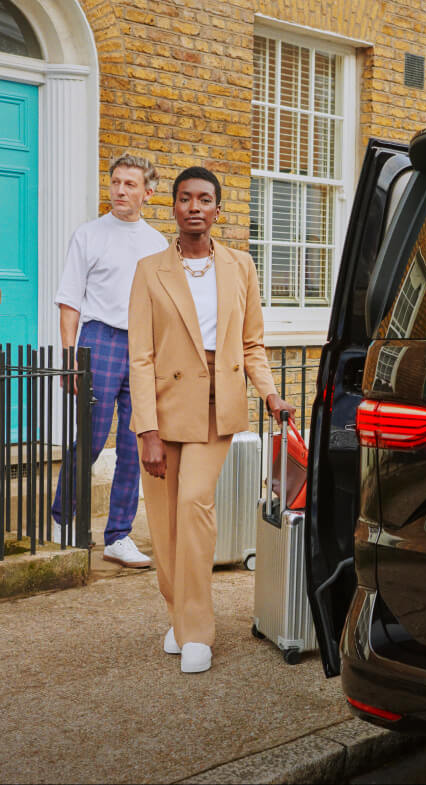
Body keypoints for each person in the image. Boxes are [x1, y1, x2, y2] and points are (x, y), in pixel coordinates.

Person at [128, 166, 294, 674]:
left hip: (215, 410)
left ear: (218, 210)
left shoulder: (240, 266)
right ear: (173, 207)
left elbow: (251, 344)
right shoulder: (149, 270)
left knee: (194, 508)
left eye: (204, 199)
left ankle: (198, 630)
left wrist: (269, 394)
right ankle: (180, 614)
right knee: (164, 522)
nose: (194, 207)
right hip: (163, 411)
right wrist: (147, 430)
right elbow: (141, 356)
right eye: (185, 198)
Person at [52, 153, 168, 567]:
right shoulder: (89, 235)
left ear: (148, 193)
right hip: (99, 340)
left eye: (130, 184)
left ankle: (118, 535)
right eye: (116, 182)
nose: (119, 190)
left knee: (135, 444)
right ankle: (63, 521)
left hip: (142, 347)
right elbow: (70, 301)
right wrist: (70, 358)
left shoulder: (157, 244)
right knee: (91, 438)